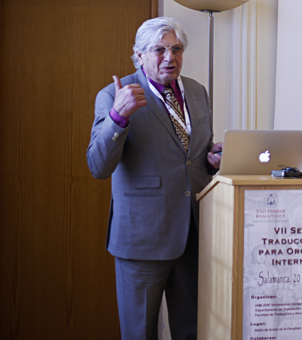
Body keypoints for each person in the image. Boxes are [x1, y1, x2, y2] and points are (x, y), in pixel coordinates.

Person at [88, 17, 223, 340]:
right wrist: (118, 118)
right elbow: (98, 166)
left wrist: (212, 158)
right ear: (138, 55)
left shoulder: (196, 91)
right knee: (140, 333)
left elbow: (191, 155)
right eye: (159, 50)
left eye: (176, 49)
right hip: (143, 239)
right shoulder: (114, 95)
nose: (169, 57)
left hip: (194, 233)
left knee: (192, 330)